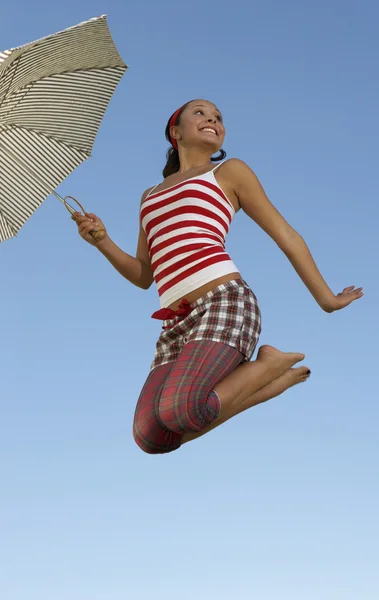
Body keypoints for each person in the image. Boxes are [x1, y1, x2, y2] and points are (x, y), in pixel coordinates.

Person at [73, 99, 363, 454]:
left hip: (224, 302)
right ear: (175, 132)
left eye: (218, 117)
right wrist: (102, 242)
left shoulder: (228, 172)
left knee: (179, 411)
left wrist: (327, 299)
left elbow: (285, 235)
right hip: (174, 324)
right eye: (200, 112)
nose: (212, 118)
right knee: (150, 435)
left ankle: (267, 368)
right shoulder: (149, 197)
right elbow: (144, 274)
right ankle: (267, 379)